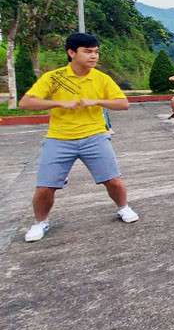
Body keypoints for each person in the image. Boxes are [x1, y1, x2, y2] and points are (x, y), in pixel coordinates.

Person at [19, 33, 137, 243]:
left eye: (96, 52)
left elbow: (123, 104)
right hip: (59, 138)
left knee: (113, 180)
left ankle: (123, 207)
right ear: (71, 53)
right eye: (88, 51)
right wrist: (58, 104)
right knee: (46, 186)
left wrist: (96, 101)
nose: (93, 56)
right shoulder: (54, 78)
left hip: (94, 136)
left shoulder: (101, 78)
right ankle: (40, 222)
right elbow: (26, 103)